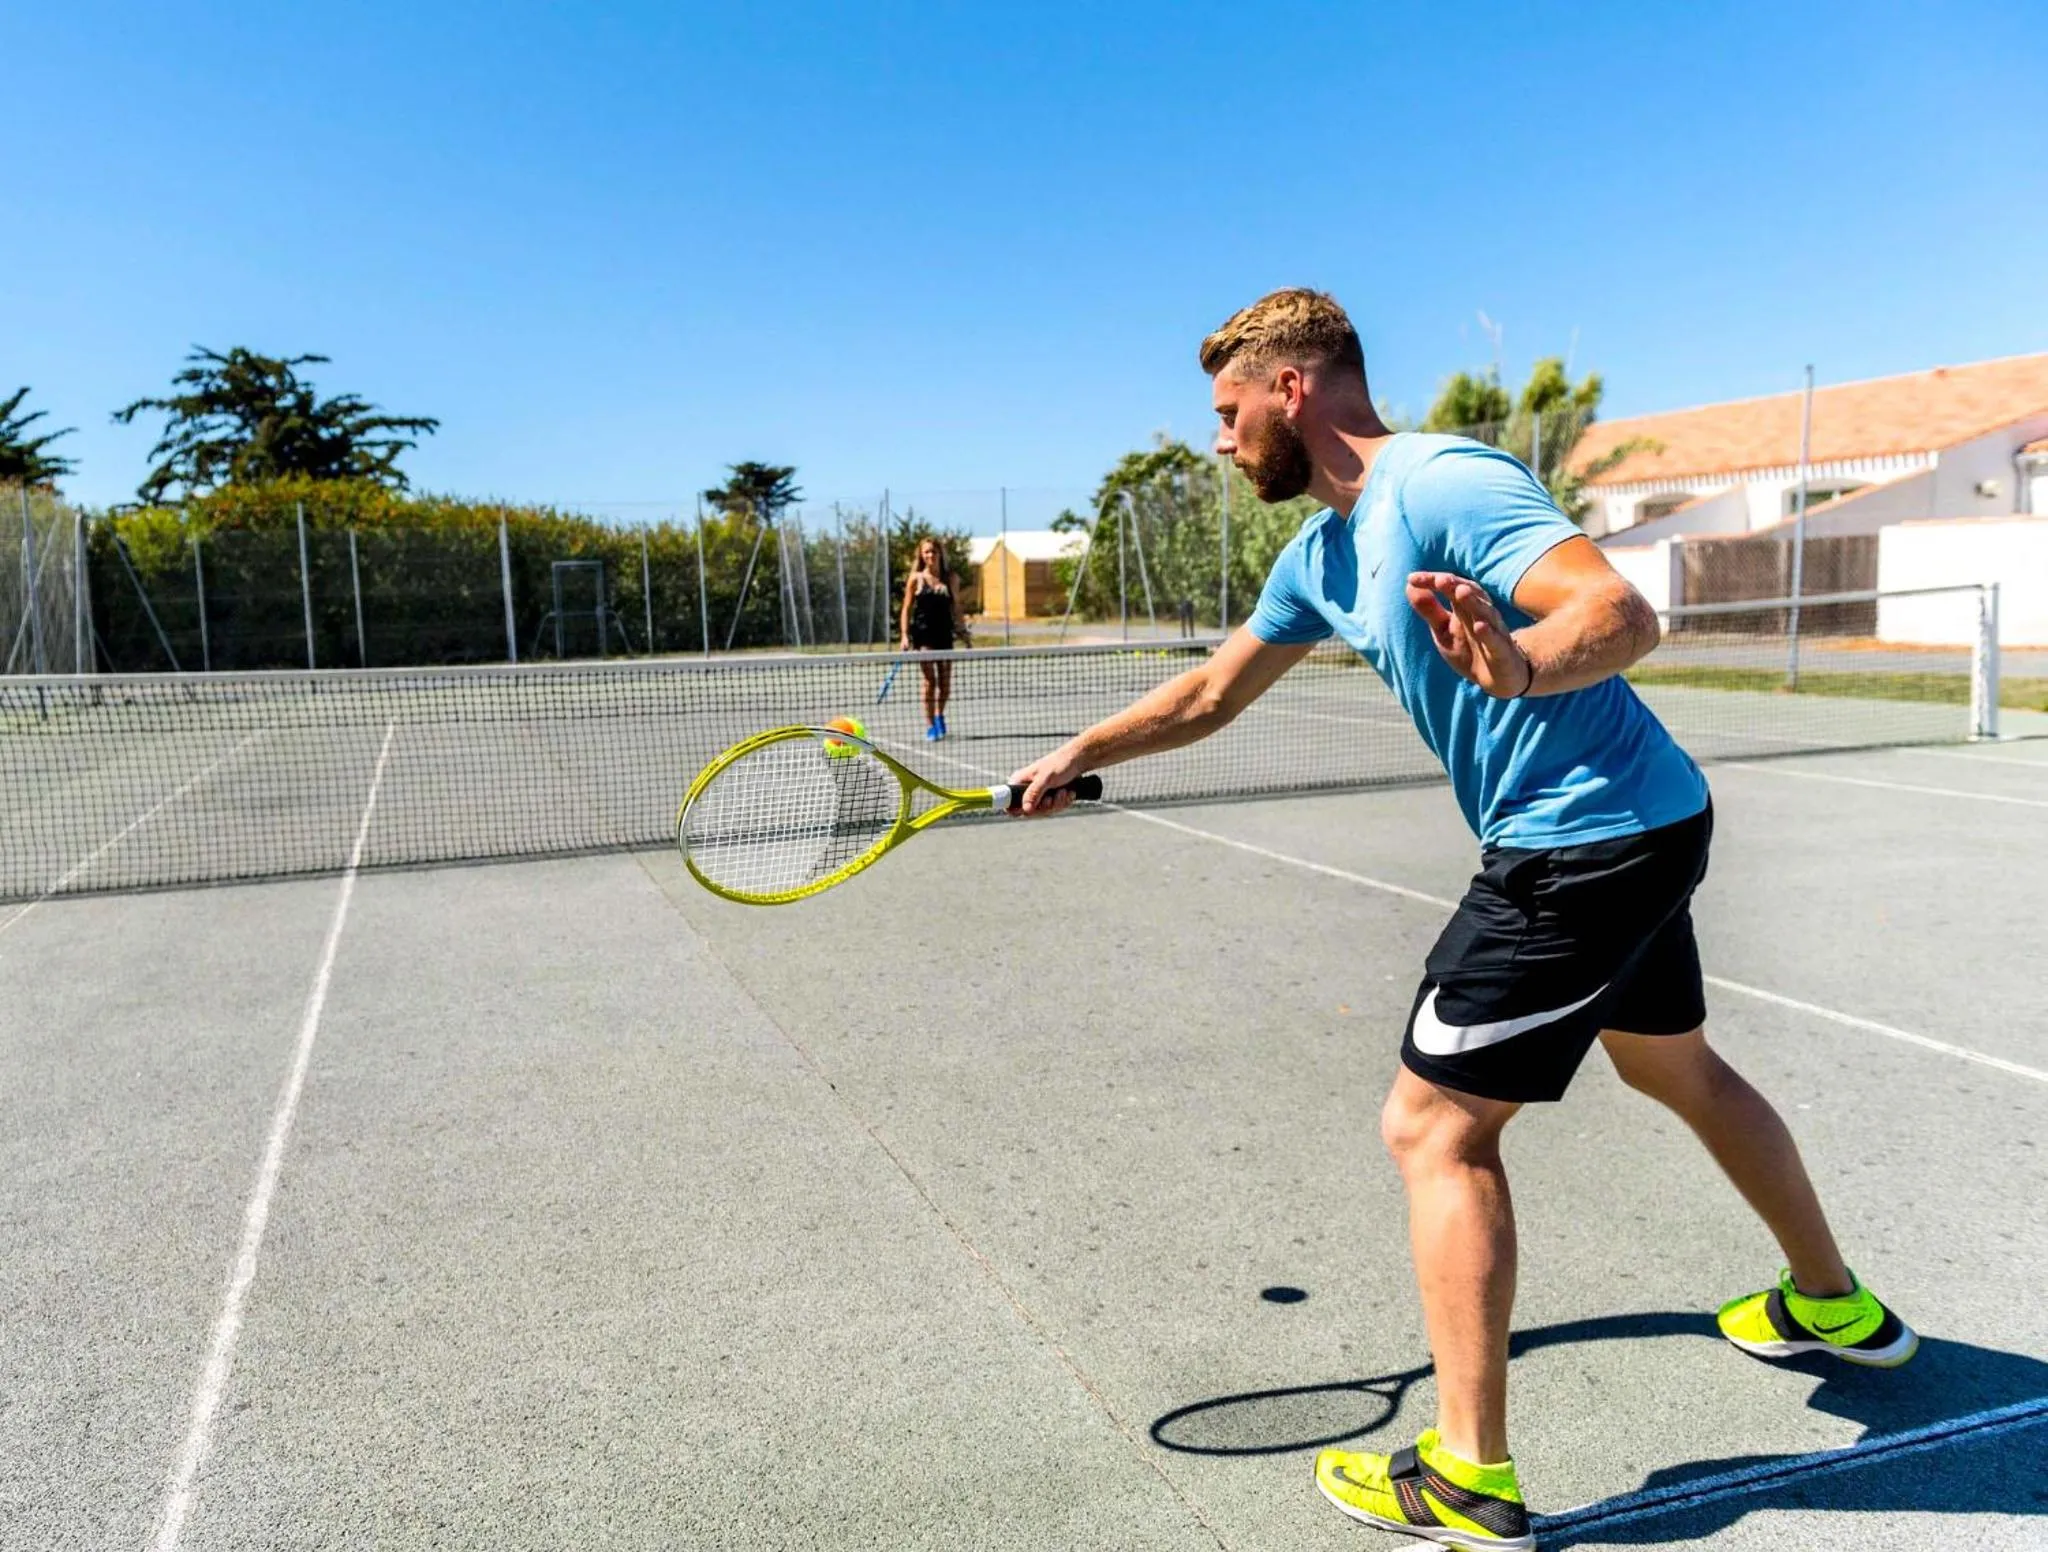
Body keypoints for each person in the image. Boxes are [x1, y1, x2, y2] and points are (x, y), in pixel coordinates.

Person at [1008, 288, 1915, 1550]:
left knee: (1431, 1127)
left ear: (1294, 387)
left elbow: (1619, 611)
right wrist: (1076, 753)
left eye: (1227, 411)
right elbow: (1214, 691)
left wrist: (1524, 661)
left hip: (1578, 844)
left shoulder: (1443, 482)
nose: (1217, 442)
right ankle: (1831, 1306)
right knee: (1675, 1067)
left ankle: (1467, 1477)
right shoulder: (1320, 555)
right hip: (1642, 821)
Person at [899, 536, 969, 740]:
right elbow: (906, 608)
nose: (930, 555)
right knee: (930, 681)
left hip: (944, 635)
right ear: (921, 555)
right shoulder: (916, 579)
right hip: (923, 635)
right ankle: (930, 724)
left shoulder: (951, 579)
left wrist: (962, 630)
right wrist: (904, 635)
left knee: (945, 682)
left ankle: (939, 715)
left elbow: (956, 607)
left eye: (933, 551)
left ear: (940, 554)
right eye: (926, 552)